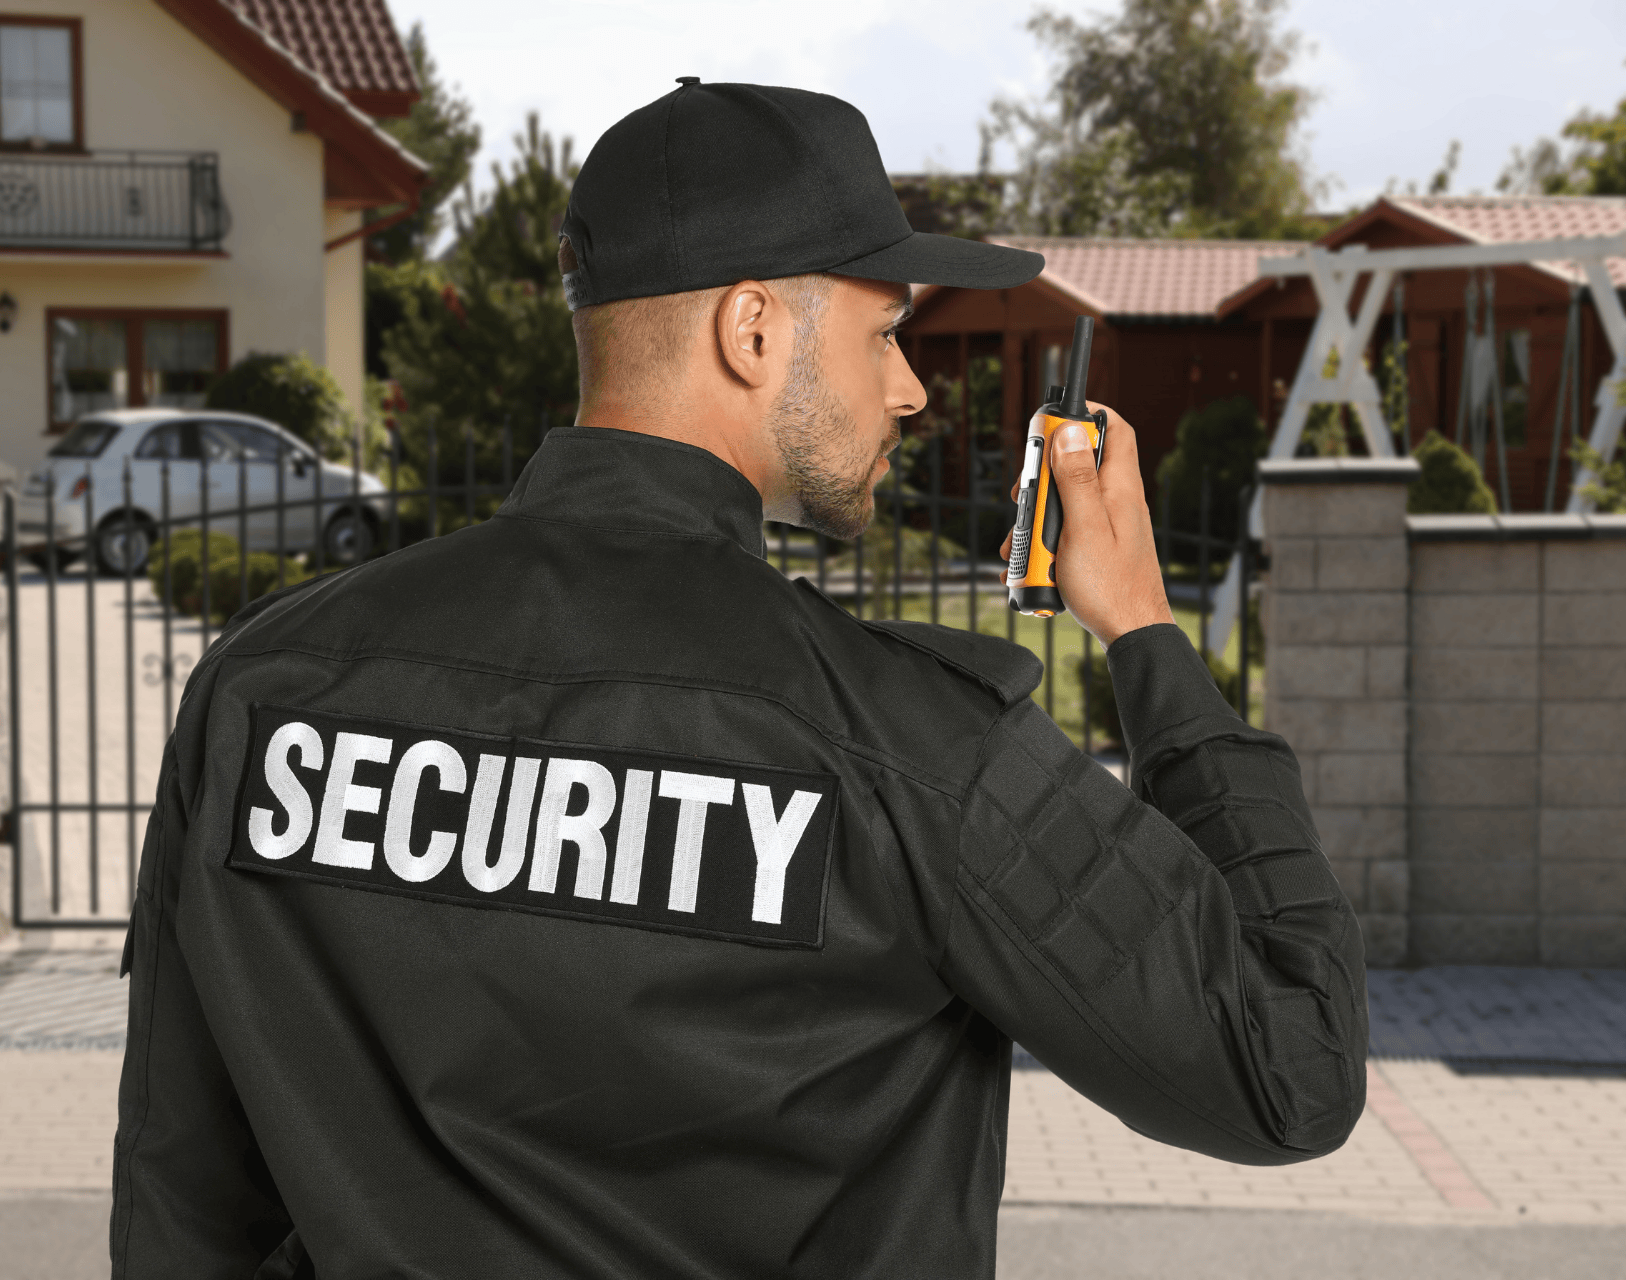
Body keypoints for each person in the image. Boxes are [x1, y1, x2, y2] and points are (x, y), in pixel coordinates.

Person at [111, 80, 1368, 1280]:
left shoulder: (261, 689)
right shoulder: (907, 742)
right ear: (752, 328)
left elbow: (184, 1195)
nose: (911, 387)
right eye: (884, 332)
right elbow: (1288, 1063)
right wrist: (1145, 630)